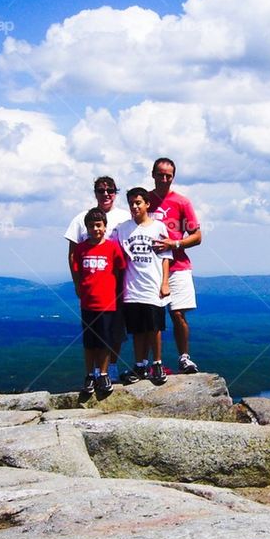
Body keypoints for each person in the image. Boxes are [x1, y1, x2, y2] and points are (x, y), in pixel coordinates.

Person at [65, 176, 131, 375]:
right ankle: (95, 371)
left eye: (110, 190)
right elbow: (72, 253)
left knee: (117, 328)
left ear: (115, 193)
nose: (106, 194)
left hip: (117, 281)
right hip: (92, 286)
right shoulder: (81, 218)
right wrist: (78, 284)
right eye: (101, 190)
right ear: (95, 193)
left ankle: (111, 366)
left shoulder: (124, 217)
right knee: (93, 332)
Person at [112, 187, 171, 385]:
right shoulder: (122, 228)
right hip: (132, 287)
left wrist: (164, 283)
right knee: (137, 329)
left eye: (138, 203)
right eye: (131, 203)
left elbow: (165, 258)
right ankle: (140, 365)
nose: (134, 207)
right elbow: (111, 249)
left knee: (154, 328)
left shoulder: (158, 227)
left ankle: (157, 363)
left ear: (147, 204)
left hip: (153, 286)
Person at [148, 157, 201, 374]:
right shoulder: (145, 199)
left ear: (173, 177)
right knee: (151, 316)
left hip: (178, 265)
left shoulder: (182, 202)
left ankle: (184, 357)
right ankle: (153, 362)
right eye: (160, 174)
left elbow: (197, 236)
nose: (164, 179)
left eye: (168, 175)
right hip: (150, 267)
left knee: (177, 313)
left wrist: (175, 243)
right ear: (153, 174)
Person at [70, 208, 126, 396]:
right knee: (89, 343)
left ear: (105, 226)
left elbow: (119, 270)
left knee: (104, 341)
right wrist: (79, 288)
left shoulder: (112, 247)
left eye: (99, 225)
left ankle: (103, 374)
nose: (95, 229)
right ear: (86, 227)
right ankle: (89, 375)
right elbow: (77, 270)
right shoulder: (81, 249)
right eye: (92, 226)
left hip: (107, 303)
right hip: (88, 303)